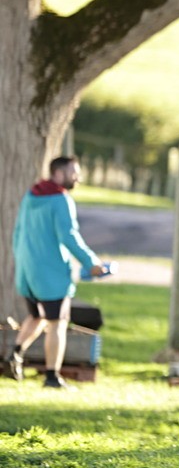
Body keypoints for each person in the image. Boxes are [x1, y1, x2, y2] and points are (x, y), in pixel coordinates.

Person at [3, 155, 107, 388]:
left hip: (28, 272)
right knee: (57, 323)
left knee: (37, 316)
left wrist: (23, 262)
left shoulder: (31, 195)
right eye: (74, 172)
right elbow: (68, 236)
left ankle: (15, 354)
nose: (77, 177)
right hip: (50, 275)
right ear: (58, 174)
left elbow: (17, 232)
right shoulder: (60, 199)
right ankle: (52, 376)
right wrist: (91, 262)